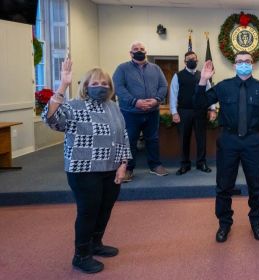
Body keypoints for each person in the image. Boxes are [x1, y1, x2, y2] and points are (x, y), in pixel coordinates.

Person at [42, 58, 131, 274]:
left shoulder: (114, 107)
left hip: (111, 168)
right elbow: (50, 119)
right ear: (85, 86)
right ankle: (81, 255)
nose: (100, 87)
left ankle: (96, 244)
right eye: (95, 83)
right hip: (84, 169)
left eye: (104, 84)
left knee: (105, 209)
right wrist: (63, 85)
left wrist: (123, 163)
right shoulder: (74, 106)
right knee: (88, 211)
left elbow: (123, 135)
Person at [194, 51, 259, 243]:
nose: (243, 64)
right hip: (228, 140)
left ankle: (256, 222)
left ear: (252, 64)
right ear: (234, 65)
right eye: (239, 61)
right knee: (224, 186)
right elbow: (199, 103)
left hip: (252, 141)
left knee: (256, 186)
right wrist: (203, 80)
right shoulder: (223, 86)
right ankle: (224, 224)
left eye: (247, 61)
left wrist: (253, 131)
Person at [113, 41, 168, 180]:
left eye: (142, 49)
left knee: (153, 139)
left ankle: (155, 165)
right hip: (130, 113)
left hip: (152, 112)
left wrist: (157, 99)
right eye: (136, 49)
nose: (139, 51)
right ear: (131, 53)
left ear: (146, 51)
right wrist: (135, 102)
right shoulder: (122, 69)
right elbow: (119, 88)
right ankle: (128, 168)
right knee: (130, 140)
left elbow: (163, 85)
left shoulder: (156, 69)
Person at [170, 51, 216, 175]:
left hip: (200, 112)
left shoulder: (203, 76)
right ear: (185, 61)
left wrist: (212, 109)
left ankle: (202, 163)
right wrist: (174, 112)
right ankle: (185, 164)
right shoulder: (178, 76)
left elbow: (209, 93)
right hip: (184, 111)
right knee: (184, 139)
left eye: (194, 59)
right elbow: (173, 94)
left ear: (197, 60)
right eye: (189, 59)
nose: (192, 60)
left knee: (201, 138)